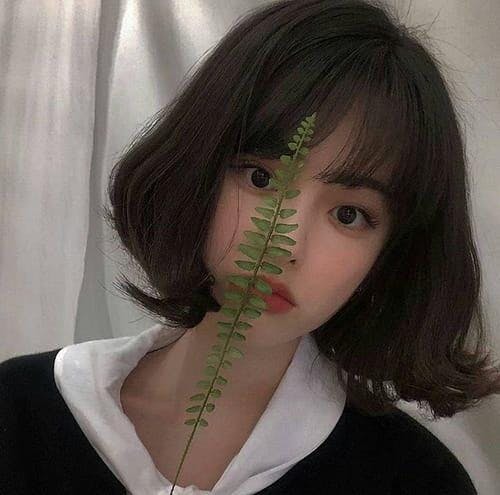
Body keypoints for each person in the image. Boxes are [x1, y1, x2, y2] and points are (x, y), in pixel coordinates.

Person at [1, 0, 499, 493]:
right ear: (198, 169)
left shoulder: (416, 481)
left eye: (348, 215)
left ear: (391, 254)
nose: (282, 243)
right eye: (261, 178)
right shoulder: (18, 412)